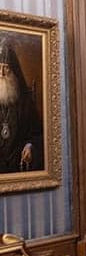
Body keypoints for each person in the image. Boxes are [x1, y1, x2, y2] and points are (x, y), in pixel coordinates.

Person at [0, 35, 43, 173]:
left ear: (13, 70)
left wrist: (29, 146)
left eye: (6, 68)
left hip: (17, 163)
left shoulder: (25, 101)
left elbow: (37, 133)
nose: (1, 73)